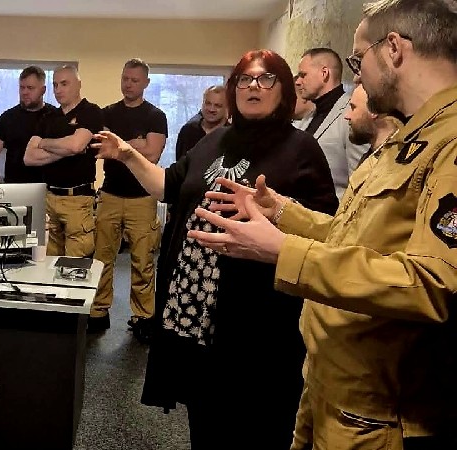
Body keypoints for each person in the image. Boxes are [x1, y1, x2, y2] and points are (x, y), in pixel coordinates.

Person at [189, 1, 457, 448]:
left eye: (358, 59)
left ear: (393, 49)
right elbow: (356, 236)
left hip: (380, 411)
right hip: (333, 385)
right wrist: (282, 212)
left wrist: (284, 251)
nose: (357, 77)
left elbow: (434, 285)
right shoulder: (409, 138)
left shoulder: (449, 144)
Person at [93, 49, 338, 449]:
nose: (253, 86)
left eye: (266, 78)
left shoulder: (301, 148)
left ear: (284, 90)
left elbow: (327, 231)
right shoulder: (215, 140)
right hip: (194, 311)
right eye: (244, 79)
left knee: (254, 421)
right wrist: (126, 154)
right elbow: (168, 185)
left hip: (256, 319)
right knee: (205, 417)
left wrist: (277, 215)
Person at [89, 58, 167, 338]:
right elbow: (102, 148)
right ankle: (98, 311)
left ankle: (143, 317)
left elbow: (153, 154)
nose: (129, 84)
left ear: (146, 83)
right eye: (125, 79)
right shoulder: (107, 113)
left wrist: (121, 146)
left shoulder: (155, 115)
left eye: (135, 80)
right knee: (102, 258)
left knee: (142, 260)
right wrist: (137, 143)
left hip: (142, 198)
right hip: (110, 194)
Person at [24, 65, 103, 257]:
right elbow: (29, 157)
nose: (58, 90)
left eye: (64, 84)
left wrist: (45, 144)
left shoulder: (91, 112)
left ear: (78, 84)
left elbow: (75, 145)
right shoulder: (48, 117)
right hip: (50, 198)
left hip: (77, 200)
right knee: (49, 262)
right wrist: (66, 149)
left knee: (75, 264)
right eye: (55, 85)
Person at [296, 48, 369, 198]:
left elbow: (360, 177)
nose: (298, 81)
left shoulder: (351, 112)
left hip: (335, 209)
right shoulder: (309, 116)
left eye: (303, 75)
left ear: (324, 73)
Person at [0, 66, 57, 183]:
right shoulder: (8, 118)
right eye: (22, 87)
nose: (25, 92)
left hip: (48, 188)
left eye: (30, 88)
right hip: (15, 187)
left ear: (43, 90)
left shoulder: (55, 116)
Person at [344, 83, 400, 166]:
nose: (347, 116)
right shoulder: (370, 158)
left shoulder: (395, 162)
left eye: (353, 107)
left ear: (373, 111)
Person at [175, 85, 228, 160]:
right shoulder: (188, 131)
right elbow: (180, 163)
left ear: (227, 108)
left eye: (218, 106)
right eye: (208, 103)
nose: (211, 109)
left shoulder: (233, 135)